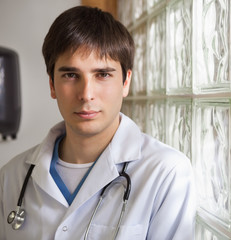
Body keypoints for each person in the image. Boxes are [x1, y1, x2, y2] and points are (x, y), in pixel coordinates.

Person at [0, 6, 195, 240]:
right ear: (52, 84)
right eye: (71, 75)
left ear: (125, 82)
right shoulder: (12, 177)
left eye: (102, 74)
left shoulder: (166, 173)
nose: (86, 94)